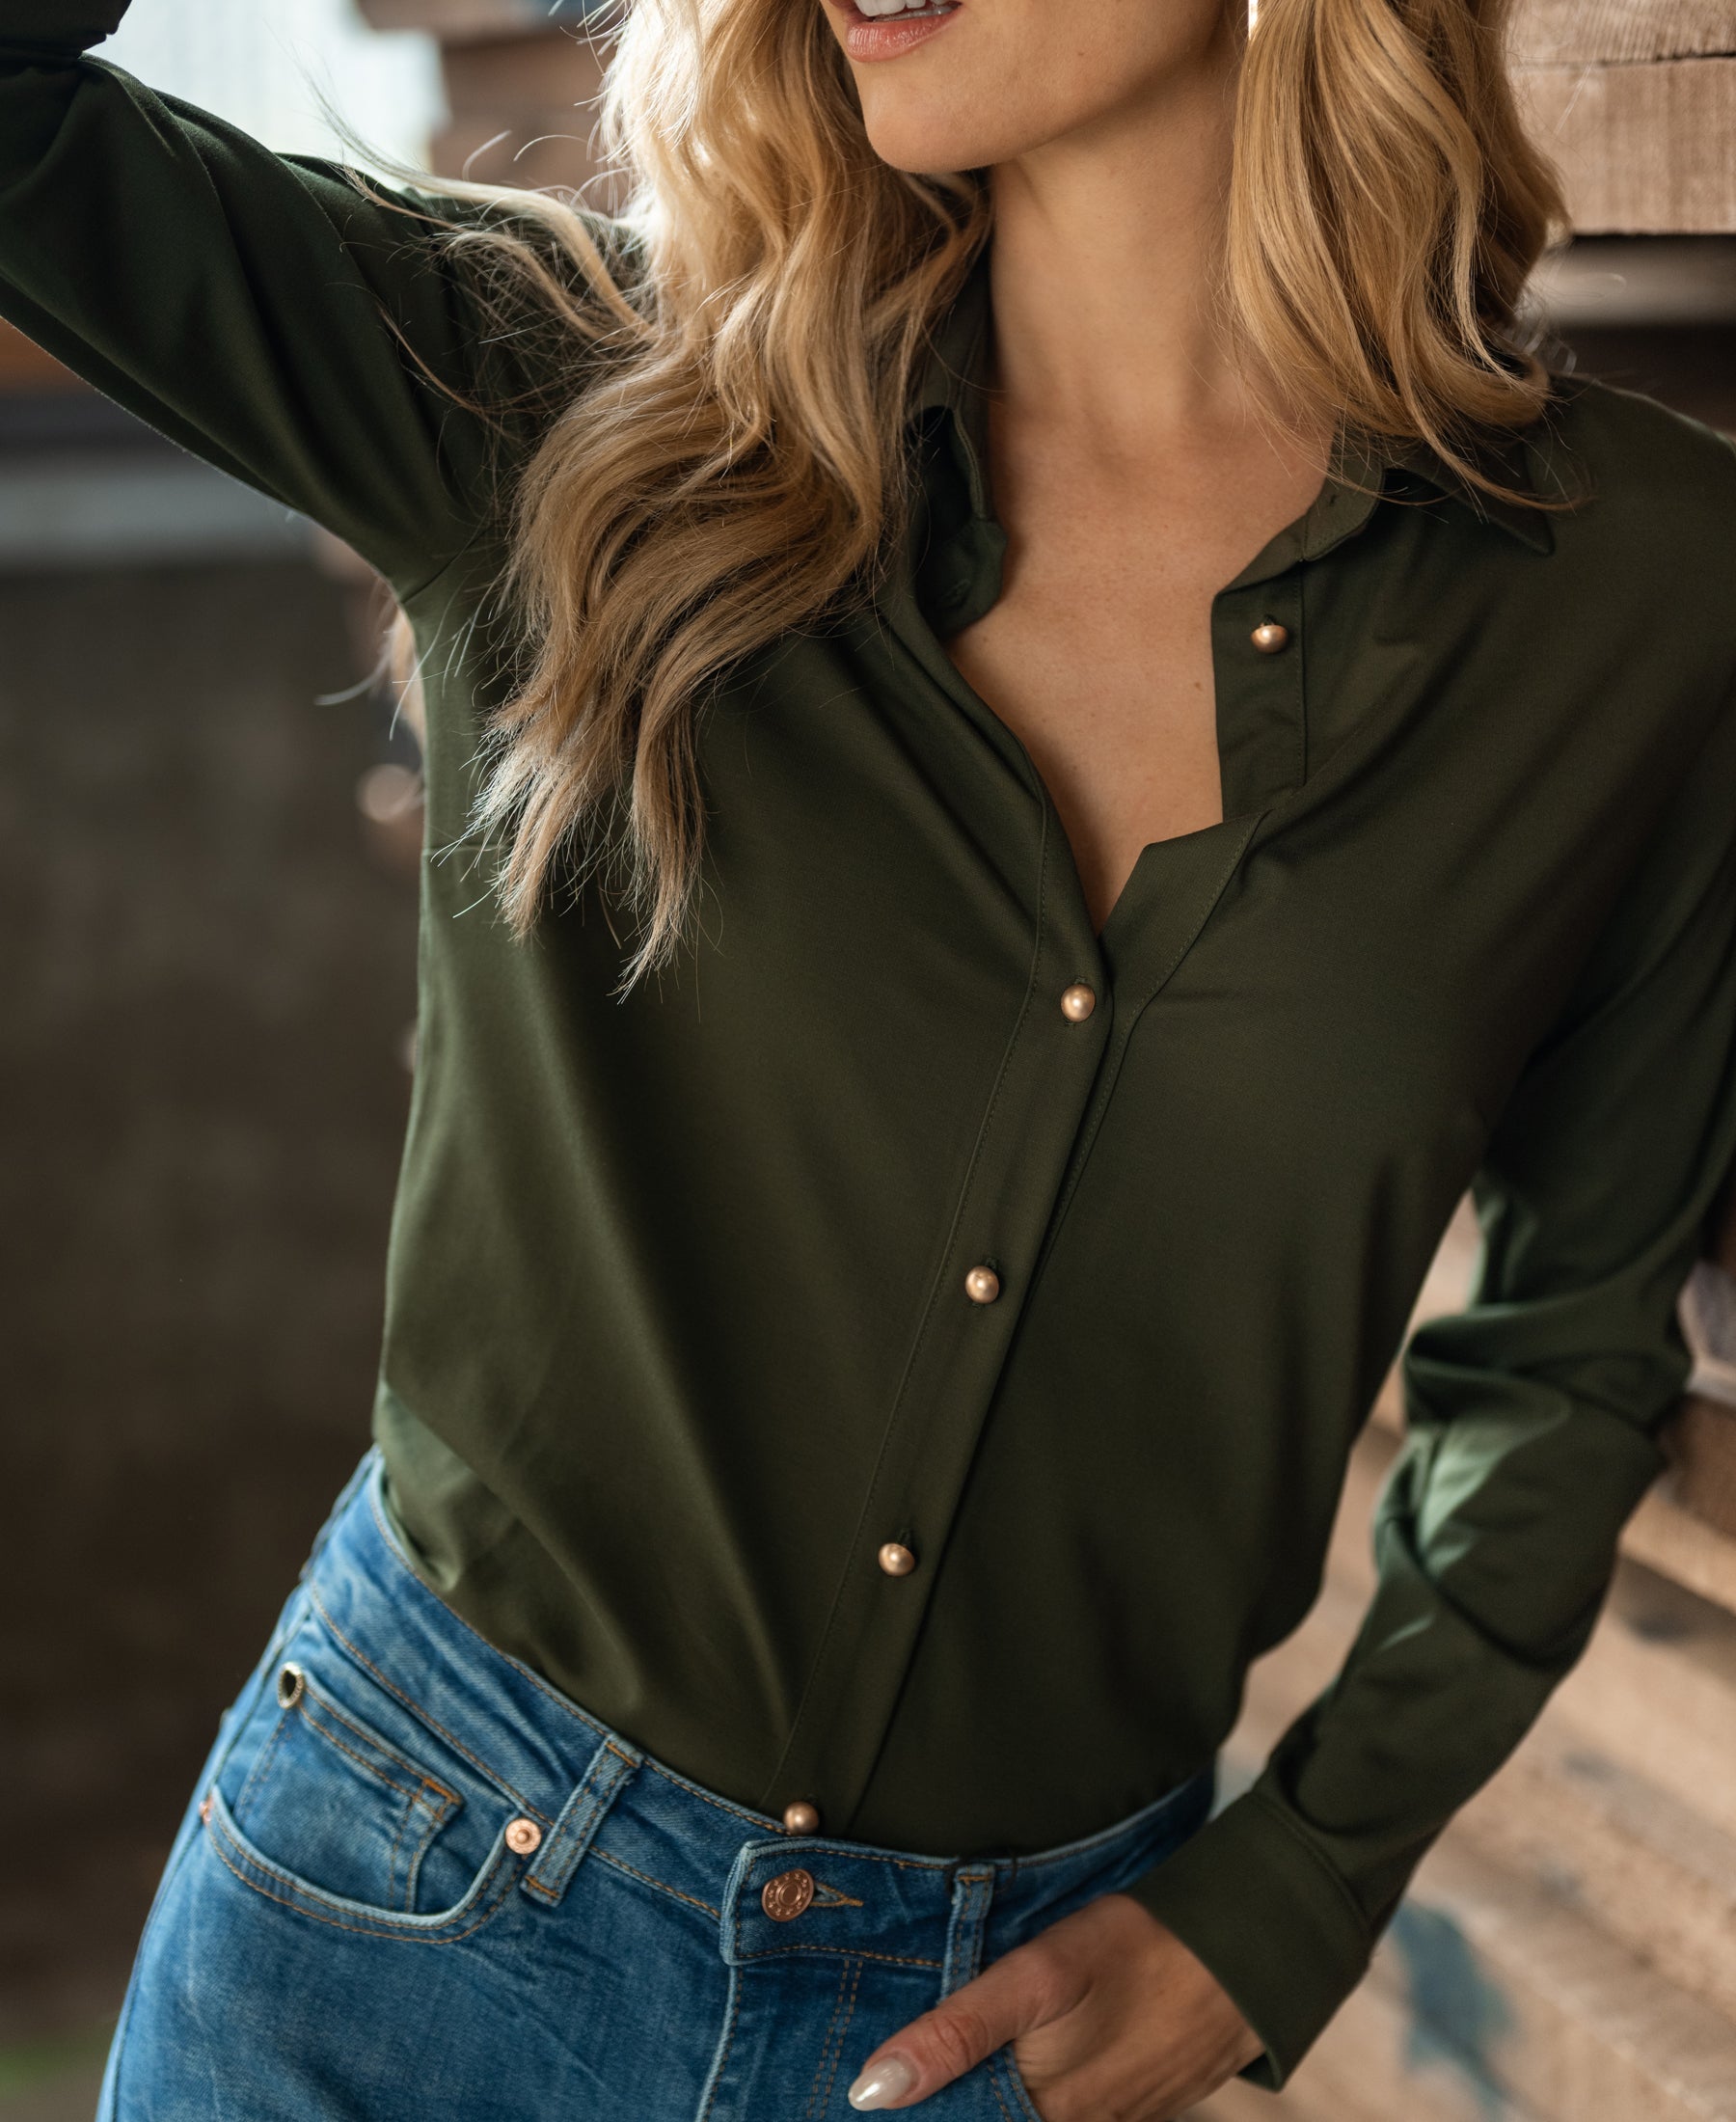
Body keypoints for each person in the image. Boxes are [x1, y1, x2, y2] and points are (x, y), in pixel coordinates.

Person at [5, 0, 1734, 2112]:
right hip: (396, 1929)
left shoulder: (1641, 596)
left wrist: (1286, 1892)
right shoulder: (562, 387)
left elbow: (1564, 1356)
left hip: (998, 2024)